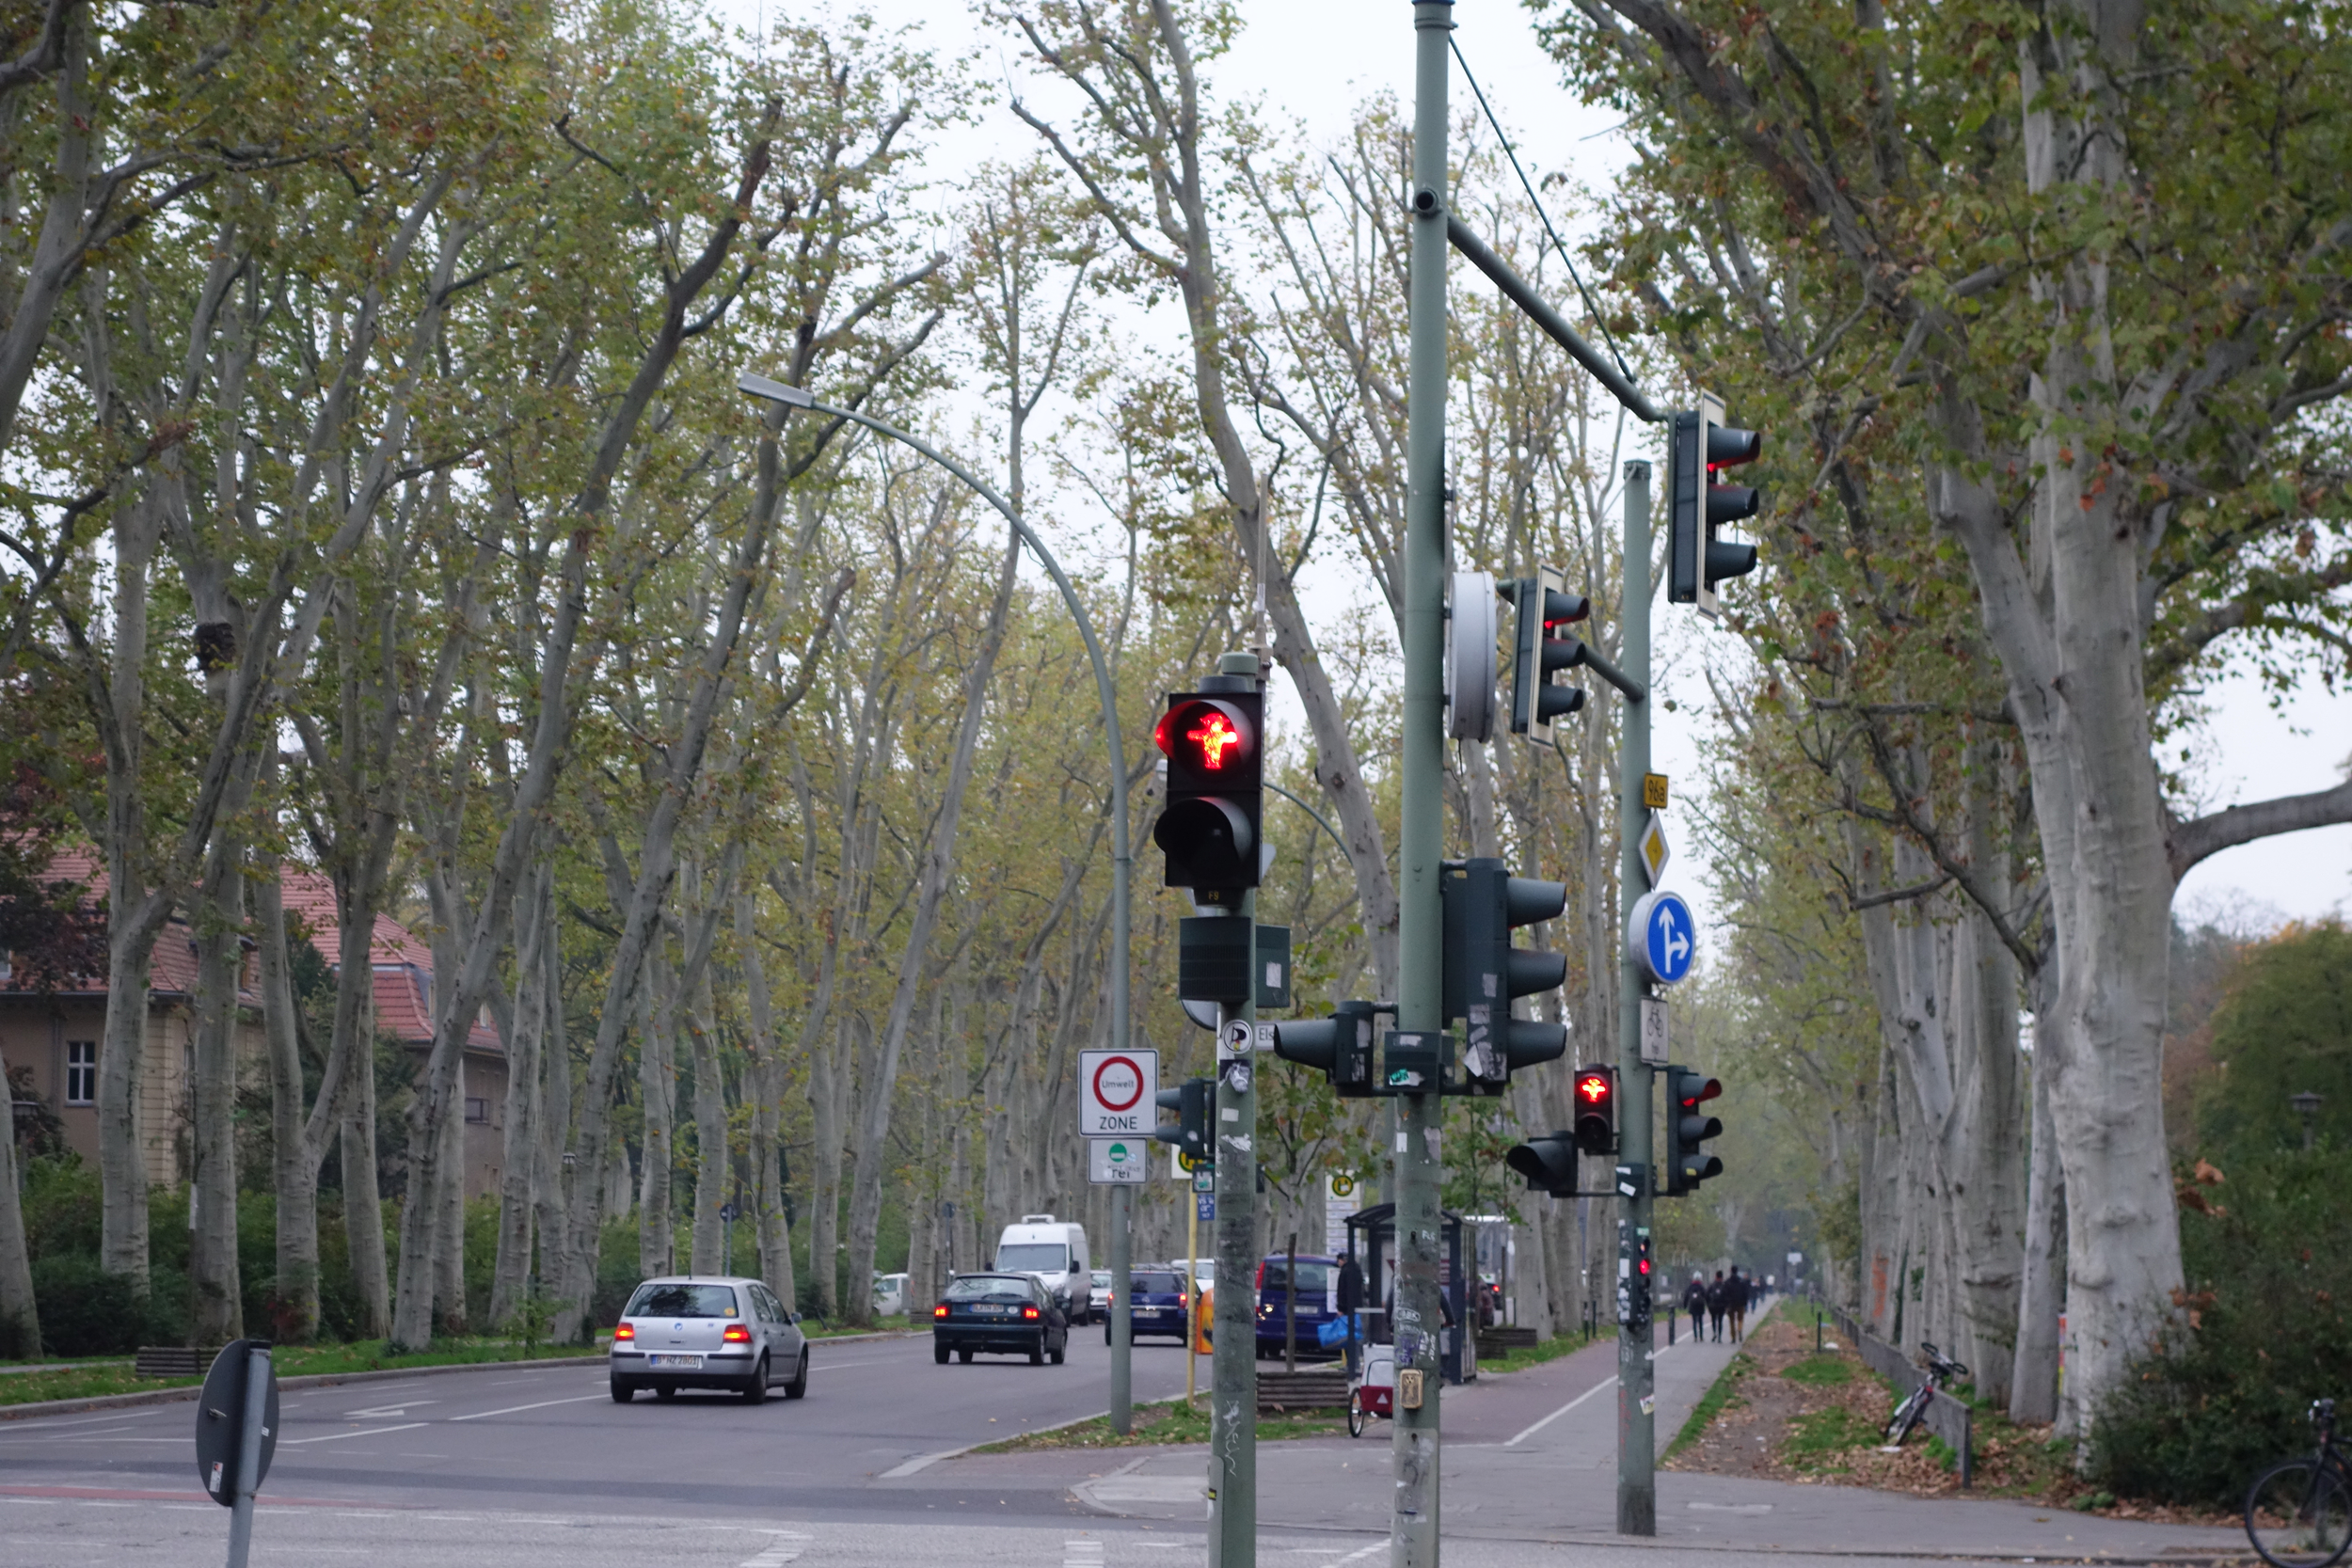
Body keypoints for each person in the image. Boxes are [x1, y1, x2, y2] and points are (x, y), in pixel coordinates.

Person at [1337, 1249, 1366, 1377]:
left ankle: (1351, 1364)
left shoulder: (1345, 1272)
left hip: (1347, 1309)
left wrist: (1340, 1308)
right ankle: (1355, 1363)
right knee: (1355, 1335)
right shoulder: (1357, 1270)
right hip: (1357, 1308)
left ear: (1341, 1260)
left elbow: (1342, 1292)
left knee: (1347, 1336)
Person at [1681, 1274, 1708, 1340]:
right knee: (1700, 1321)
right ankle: (1701, 1336)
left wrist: (1685, 1305)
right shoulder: (1701, 1287)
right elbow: (1706, 1295)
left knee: (1694, 1321)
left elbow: (1686, 1296)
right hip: (1700, 1306)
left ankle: (1695, 1336)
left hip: (1693, 1306)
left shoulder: (1691, 1287)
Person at [1726, 1266, 1750, 1342]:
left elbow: (1725, 1293)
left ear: (1731, 1271)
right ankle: (1739, 1329)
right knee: (1740, 1319)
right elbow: (1745, 1293)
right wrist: (1745, 1302)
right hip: (1740, 1303)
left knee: (1731, 1321)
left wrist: (1726, 1303)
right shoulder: (1741, 1281)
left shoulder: (1728, 1282)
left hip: (1731, 1304)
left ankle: (1733, 1337)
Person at [1706, 1270, 1728, 1342]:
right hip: (1721, 1306)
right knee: (1720, 1321)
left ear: (1716, 1276)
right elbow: (1727, 1296)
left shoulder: (1712, 1285)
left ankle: (1714, 1332)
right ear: (1722, 1277)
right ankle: (1719, 1337)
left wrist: (1708, 1304)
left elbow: (1706, 1295)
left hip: (1713, 1305)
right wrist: (1726, 1305)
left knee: (1713, 1320)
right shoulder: (1724, 1285)